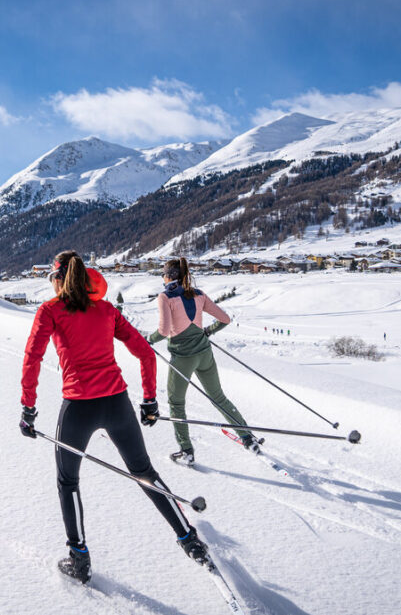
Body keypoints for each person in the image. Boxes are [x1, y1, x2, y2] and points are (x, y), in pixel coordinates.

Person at [19, 250, 212, 584]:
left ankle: (79, 558)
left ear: (57, 279)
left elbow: (32, 359)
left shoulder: (50, 311)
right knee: (144, 473)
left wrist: (28, 408)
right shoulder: (107, 310)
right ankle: (189, 539)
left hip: (78, 408)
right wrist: (150, 400)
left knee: (68, 482)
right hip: (117, 404)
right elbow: (144, 352)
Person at [147, 257, 258, 466]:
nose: (162, 277)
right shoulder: (198, 294)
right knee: (218, 397)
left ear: (170, 276)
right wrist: (207, 332)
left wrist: (147, 340)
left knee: (176, 403)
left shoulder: (165, 297)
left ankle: (186, 449)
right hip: (205, 355)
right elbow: (225, 319)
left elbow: (163, 331)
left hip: (182, 358)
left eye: (163, 273)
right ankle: (248, 437)